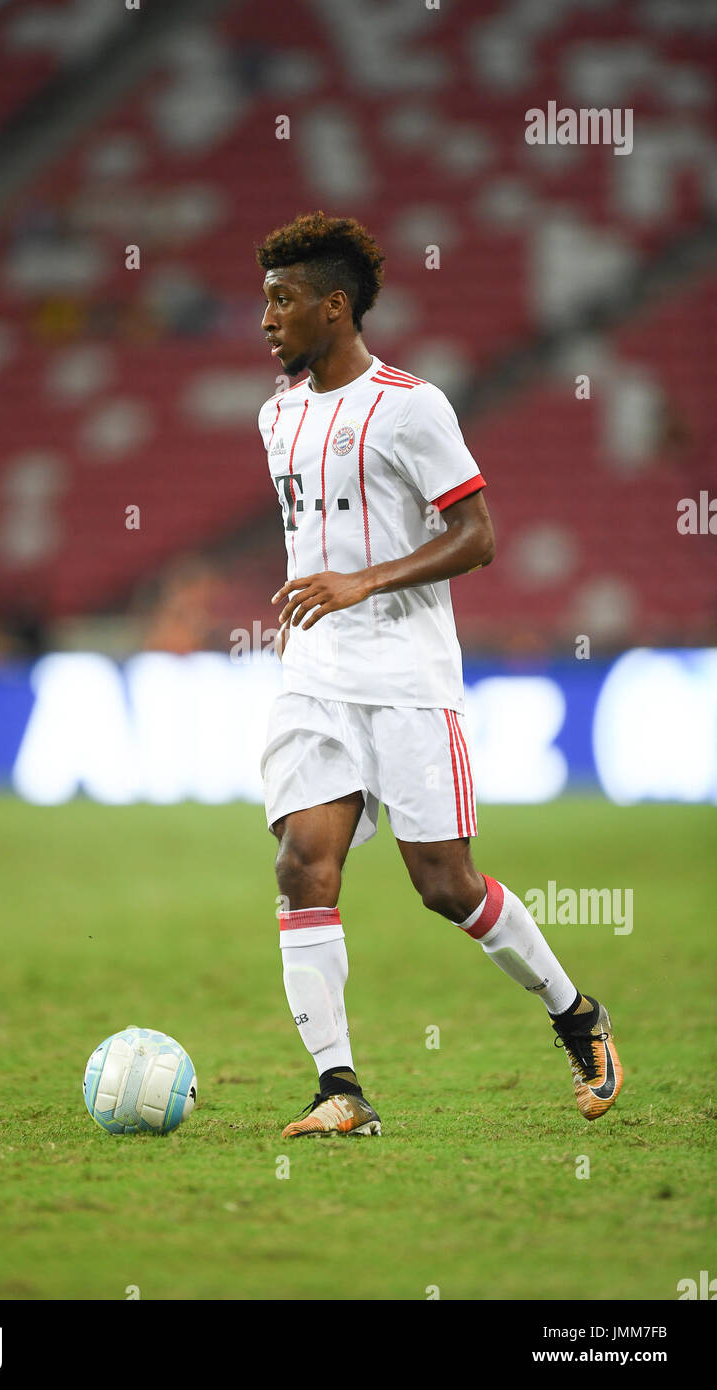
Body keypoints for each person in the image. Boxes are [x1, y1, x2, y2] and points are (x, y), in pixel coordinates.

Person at [255, 211, 622, 1137]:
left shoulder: (411, 407)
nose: (268, 320)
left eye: (284, 301)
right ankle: (339, 1088)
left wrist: (361, 581)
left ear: (335, 308)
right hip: (313, 679)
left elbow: (478, 536)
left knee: (444, 884)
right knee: (304, 864)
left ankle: (574, 1012)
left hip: (409, 680)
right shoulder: (276, 413)